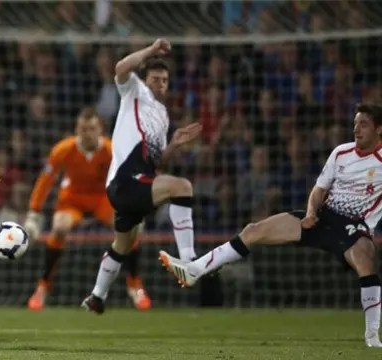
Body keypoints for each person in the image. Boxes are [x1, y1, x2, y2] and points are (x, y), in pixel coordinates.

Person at [160, 104, 382, 348]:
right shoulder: (341, 153)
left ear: (379, 130)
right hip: (323, 218)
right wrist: (310, 214)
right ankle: (194, 270)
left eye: (363, 124)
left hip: (355, 225)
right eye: (355, 123)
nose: (356, 129)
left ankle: (372, 336)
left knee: (364, 258)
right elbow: (319, 189)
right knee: (252, 231)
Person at [81, 38, 202, 314]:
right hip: (124, 181)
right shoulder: (134, 91)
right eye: (155, 78)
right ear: (144, 80)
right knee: (182, 186)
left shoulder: (163, 116)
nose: (159, 84)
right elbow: (121, 67)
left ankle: (96, 297)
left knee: (122, 245)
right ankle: (190, 262)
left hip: (137, 183)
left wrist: (174, 144)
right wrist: (150, 50)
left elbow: (156, 163)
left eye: (164, 80)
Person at [25, 108, 151, 312]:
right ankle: (42, 287)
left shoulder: (112, 150)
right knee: (59, 227)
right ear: (77, 130)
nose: (87, 133)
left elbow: (131, 178)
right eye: (83, 129)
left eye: (92, 128)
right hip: (72, 199)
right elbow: (45, 181)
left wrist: (135, 206)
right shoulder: (63, 149)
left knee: (130, 227)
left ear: (100, 129)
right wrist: (34, 211)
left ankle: (135, 286)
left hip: (103, 198)